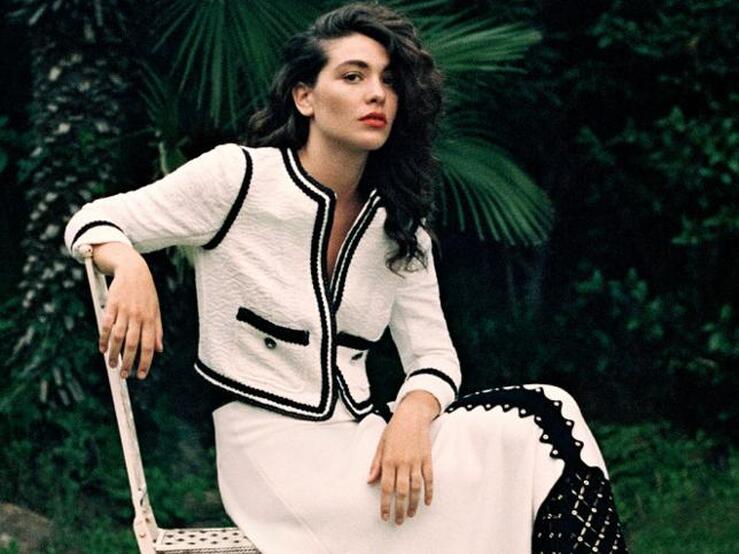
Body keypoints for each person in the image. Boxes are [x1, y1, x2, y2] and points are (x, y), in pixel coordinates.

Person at [63, 2, 629, 552]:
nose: (376, 93)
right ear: (304, 96)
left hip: (369, 440)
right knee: (541, 423)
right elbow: (92, 221)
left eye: (388, 80)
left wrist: (412, 415)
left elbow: (434, 356)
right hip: (276, 460)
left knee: (543, 420)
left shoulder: (399, 225)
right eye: (353, 76)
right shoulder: (239, 178)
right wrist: (130, 264)